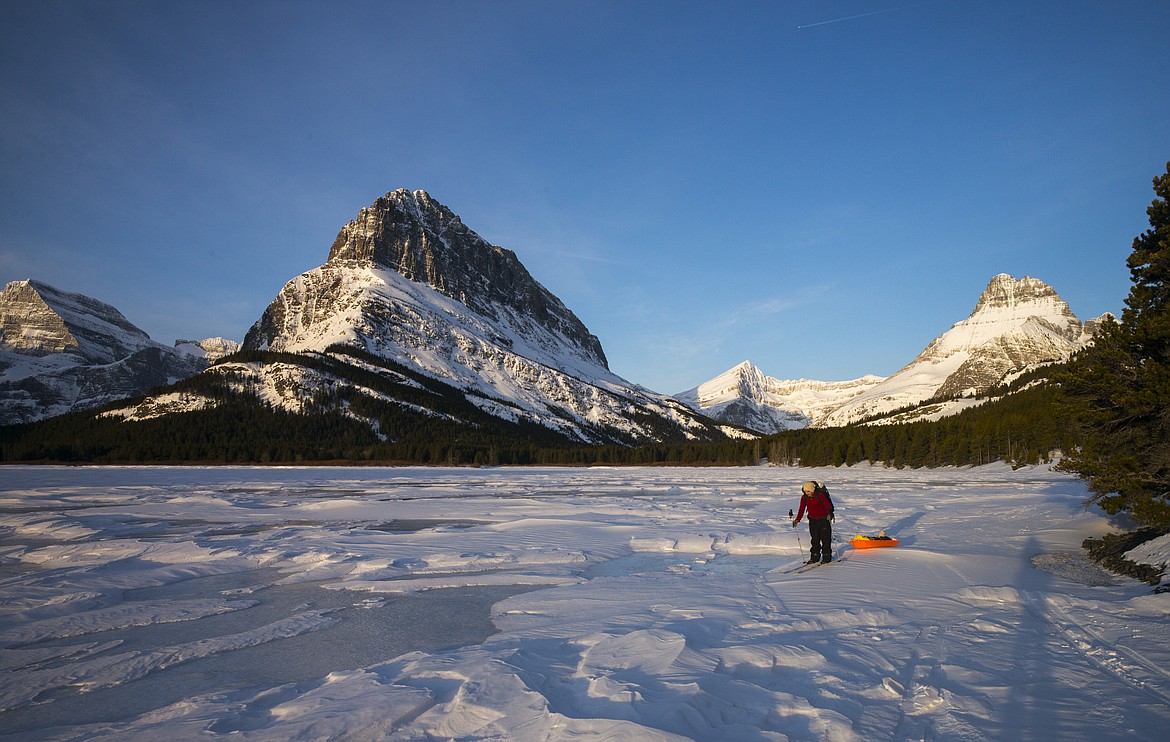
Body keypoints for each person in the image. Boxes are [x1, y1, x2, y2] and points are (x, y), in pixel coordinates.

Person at [792, 480, 835, 564]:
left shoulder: (820, 495)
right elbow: (801, 509)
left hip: (824, 520)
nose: (807, 493)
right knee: (815, 539)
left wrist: (829, 514)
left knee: (825, 539)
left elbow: (828, 506)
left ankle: (827, 557)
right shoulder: (804, 497)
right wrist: (797, 520)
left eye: (808, 491)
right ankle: (815, 557)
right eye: (805, 491)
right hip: (812, 520)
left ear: (812, 490)